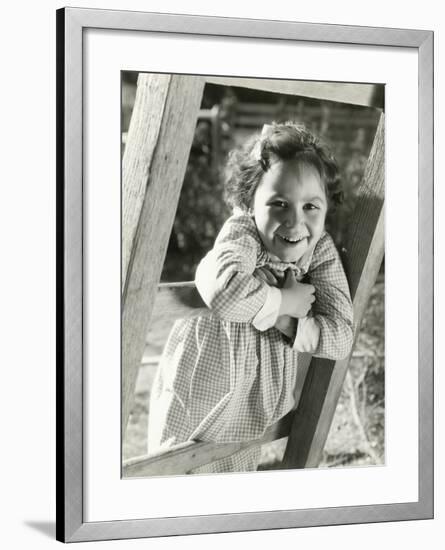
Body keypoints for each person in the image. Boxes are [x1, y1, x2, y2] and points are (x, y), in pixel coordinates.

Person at [147, 122, 353, 473]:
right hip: (205, 386)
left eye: (310, 207)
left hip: (255, 398)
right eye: (279, 203)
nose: (294, 220)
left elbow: (341, 338)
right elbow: (224, 290)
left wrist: (288, 322)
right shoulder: (243, 232)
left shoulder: (320, 250)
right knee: (175, 476)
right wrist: (284, 303)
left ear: (326, 209)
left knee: (234, 483)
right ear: (249, 202)